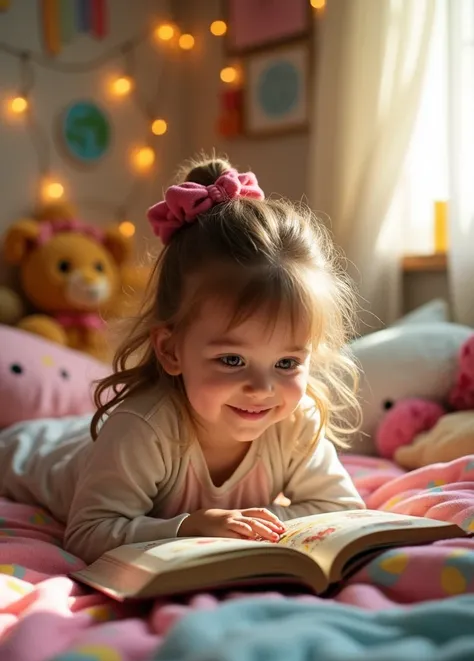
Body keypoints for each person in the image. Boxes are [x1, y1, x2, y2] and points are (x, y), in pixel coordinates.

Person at [0, 156, 365, 565]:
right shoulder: (143, 429)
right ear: (171, 350)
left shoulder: (296, 423)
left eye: (286, 363)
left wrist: (255, 523)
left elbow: (341, 508)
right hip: (34, 452)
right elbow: (89, 531)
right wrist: (188, 525)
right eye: (231, 359)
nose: (262, 389)